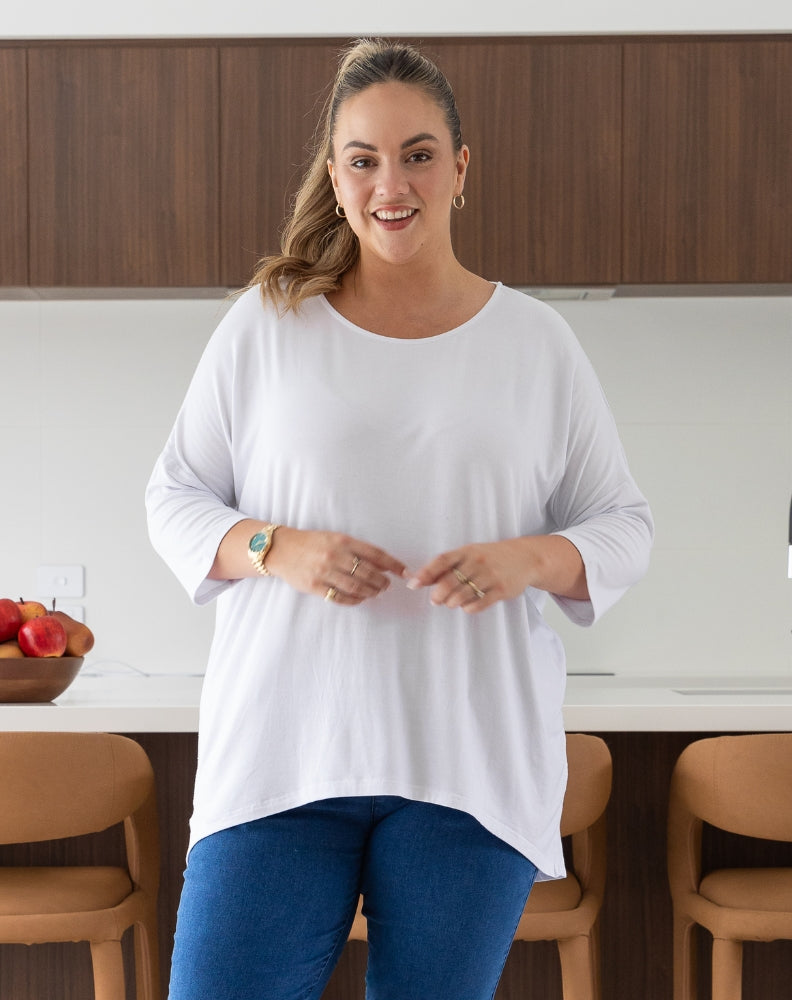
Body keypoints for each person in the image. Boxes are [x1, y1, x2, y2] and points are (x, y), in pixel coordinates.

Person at [146, 37, 653, 1000]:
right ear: (336, 179)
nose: (392, 184)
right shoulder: (268, 324)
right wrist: (276, 547)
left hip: (469, 763)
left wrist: (531, 558)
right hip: (283, 755)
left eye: (418, 154)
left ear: (460, 169)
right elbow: (173, 496)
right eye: (364, 159)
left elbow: (623, 523)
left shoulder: (536, 344)